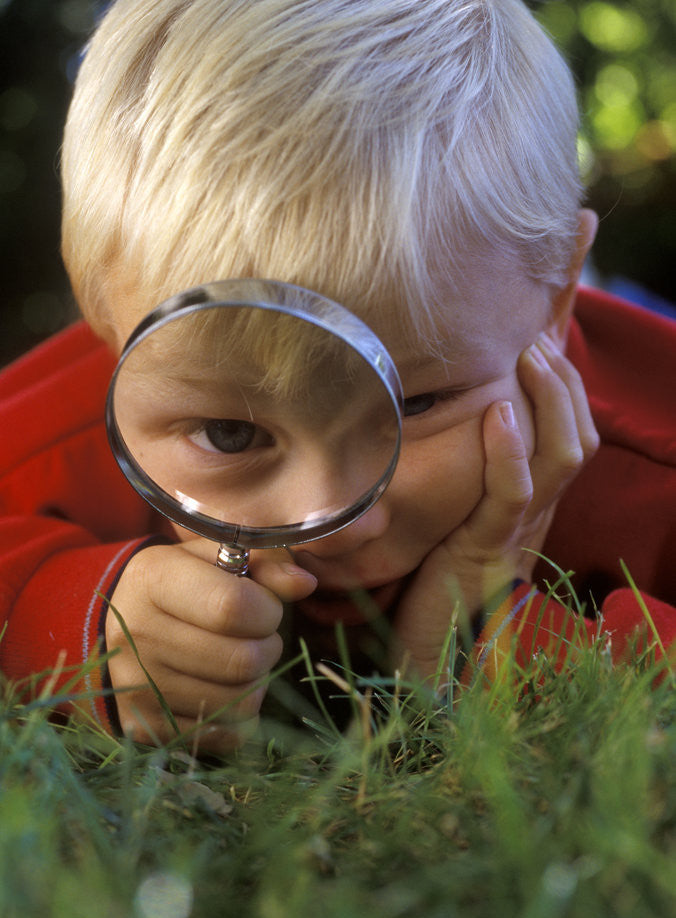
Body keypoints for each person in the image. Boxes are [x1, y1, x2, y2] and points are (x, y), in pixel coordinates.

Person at [1, 0, 674, 753]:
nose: (337, 516)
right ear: (102, 311)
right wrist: (74, 617)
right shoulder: (80, 413)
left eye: (416, 403)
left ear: (555, 294)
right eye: (232, 431)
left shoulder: (655, 461)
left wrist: (491, 637)